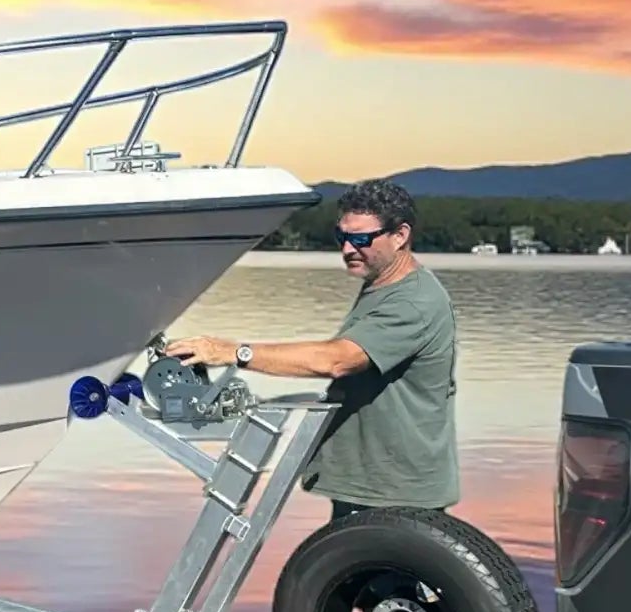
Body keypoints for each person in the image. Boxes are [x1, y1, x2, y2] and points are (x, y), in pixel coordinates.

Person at [165, 178, 458, 515]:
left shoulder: (414, 301)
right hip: (370, 490)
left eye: (361, 239)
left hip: (394, 497)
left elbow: (339, 359)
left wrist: (233, 353)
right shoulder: (384, 286)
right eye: (342, 237)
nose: (348, 250)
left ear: (400, 235)